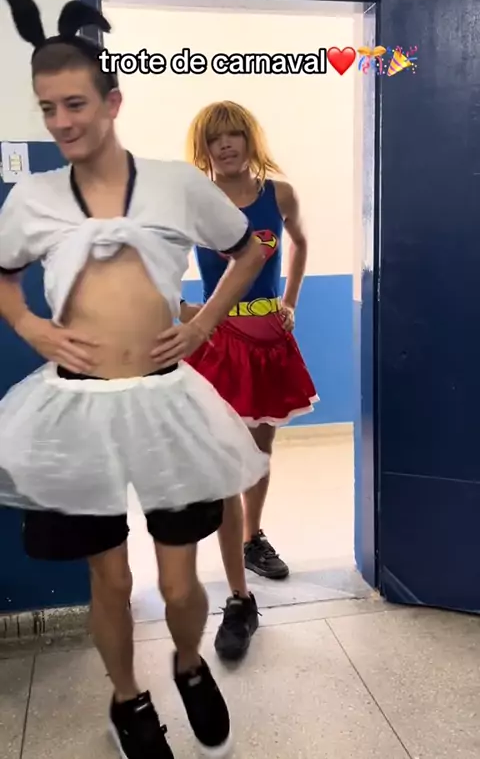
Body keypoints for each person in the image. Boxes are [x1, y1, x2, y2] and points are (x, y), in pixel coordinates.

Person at [0, 0, 270, 759]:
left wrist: (203, 324)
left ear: (111, 101)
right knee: (111, 581)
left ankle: (188, 664)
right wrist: (30, 325)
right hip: (75, 411)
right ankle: (128, 699)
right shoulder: (33, 198)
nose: (61, 122)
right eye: (47, 108)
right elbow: (4, 276)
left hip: (165, 406)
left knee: (180, 583)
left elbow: (249, 250)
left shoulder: (178, 185)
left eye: (74, 104)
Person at [181, 100, 318, 662]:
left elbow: (301, 243)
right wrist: (183, 310)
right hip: (218, 346)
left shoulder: (278, 194)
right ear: (204, 147)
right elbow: (156, 260)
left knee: (259, 453)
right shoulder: (194, 200)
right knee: (224, 463)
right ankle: (238, 596)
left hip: (267, 342)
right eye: (216, 137)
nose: (226, 144)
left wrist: (290, 301)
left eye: (235, 133)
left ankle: (251, 537)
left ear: (248, 139)